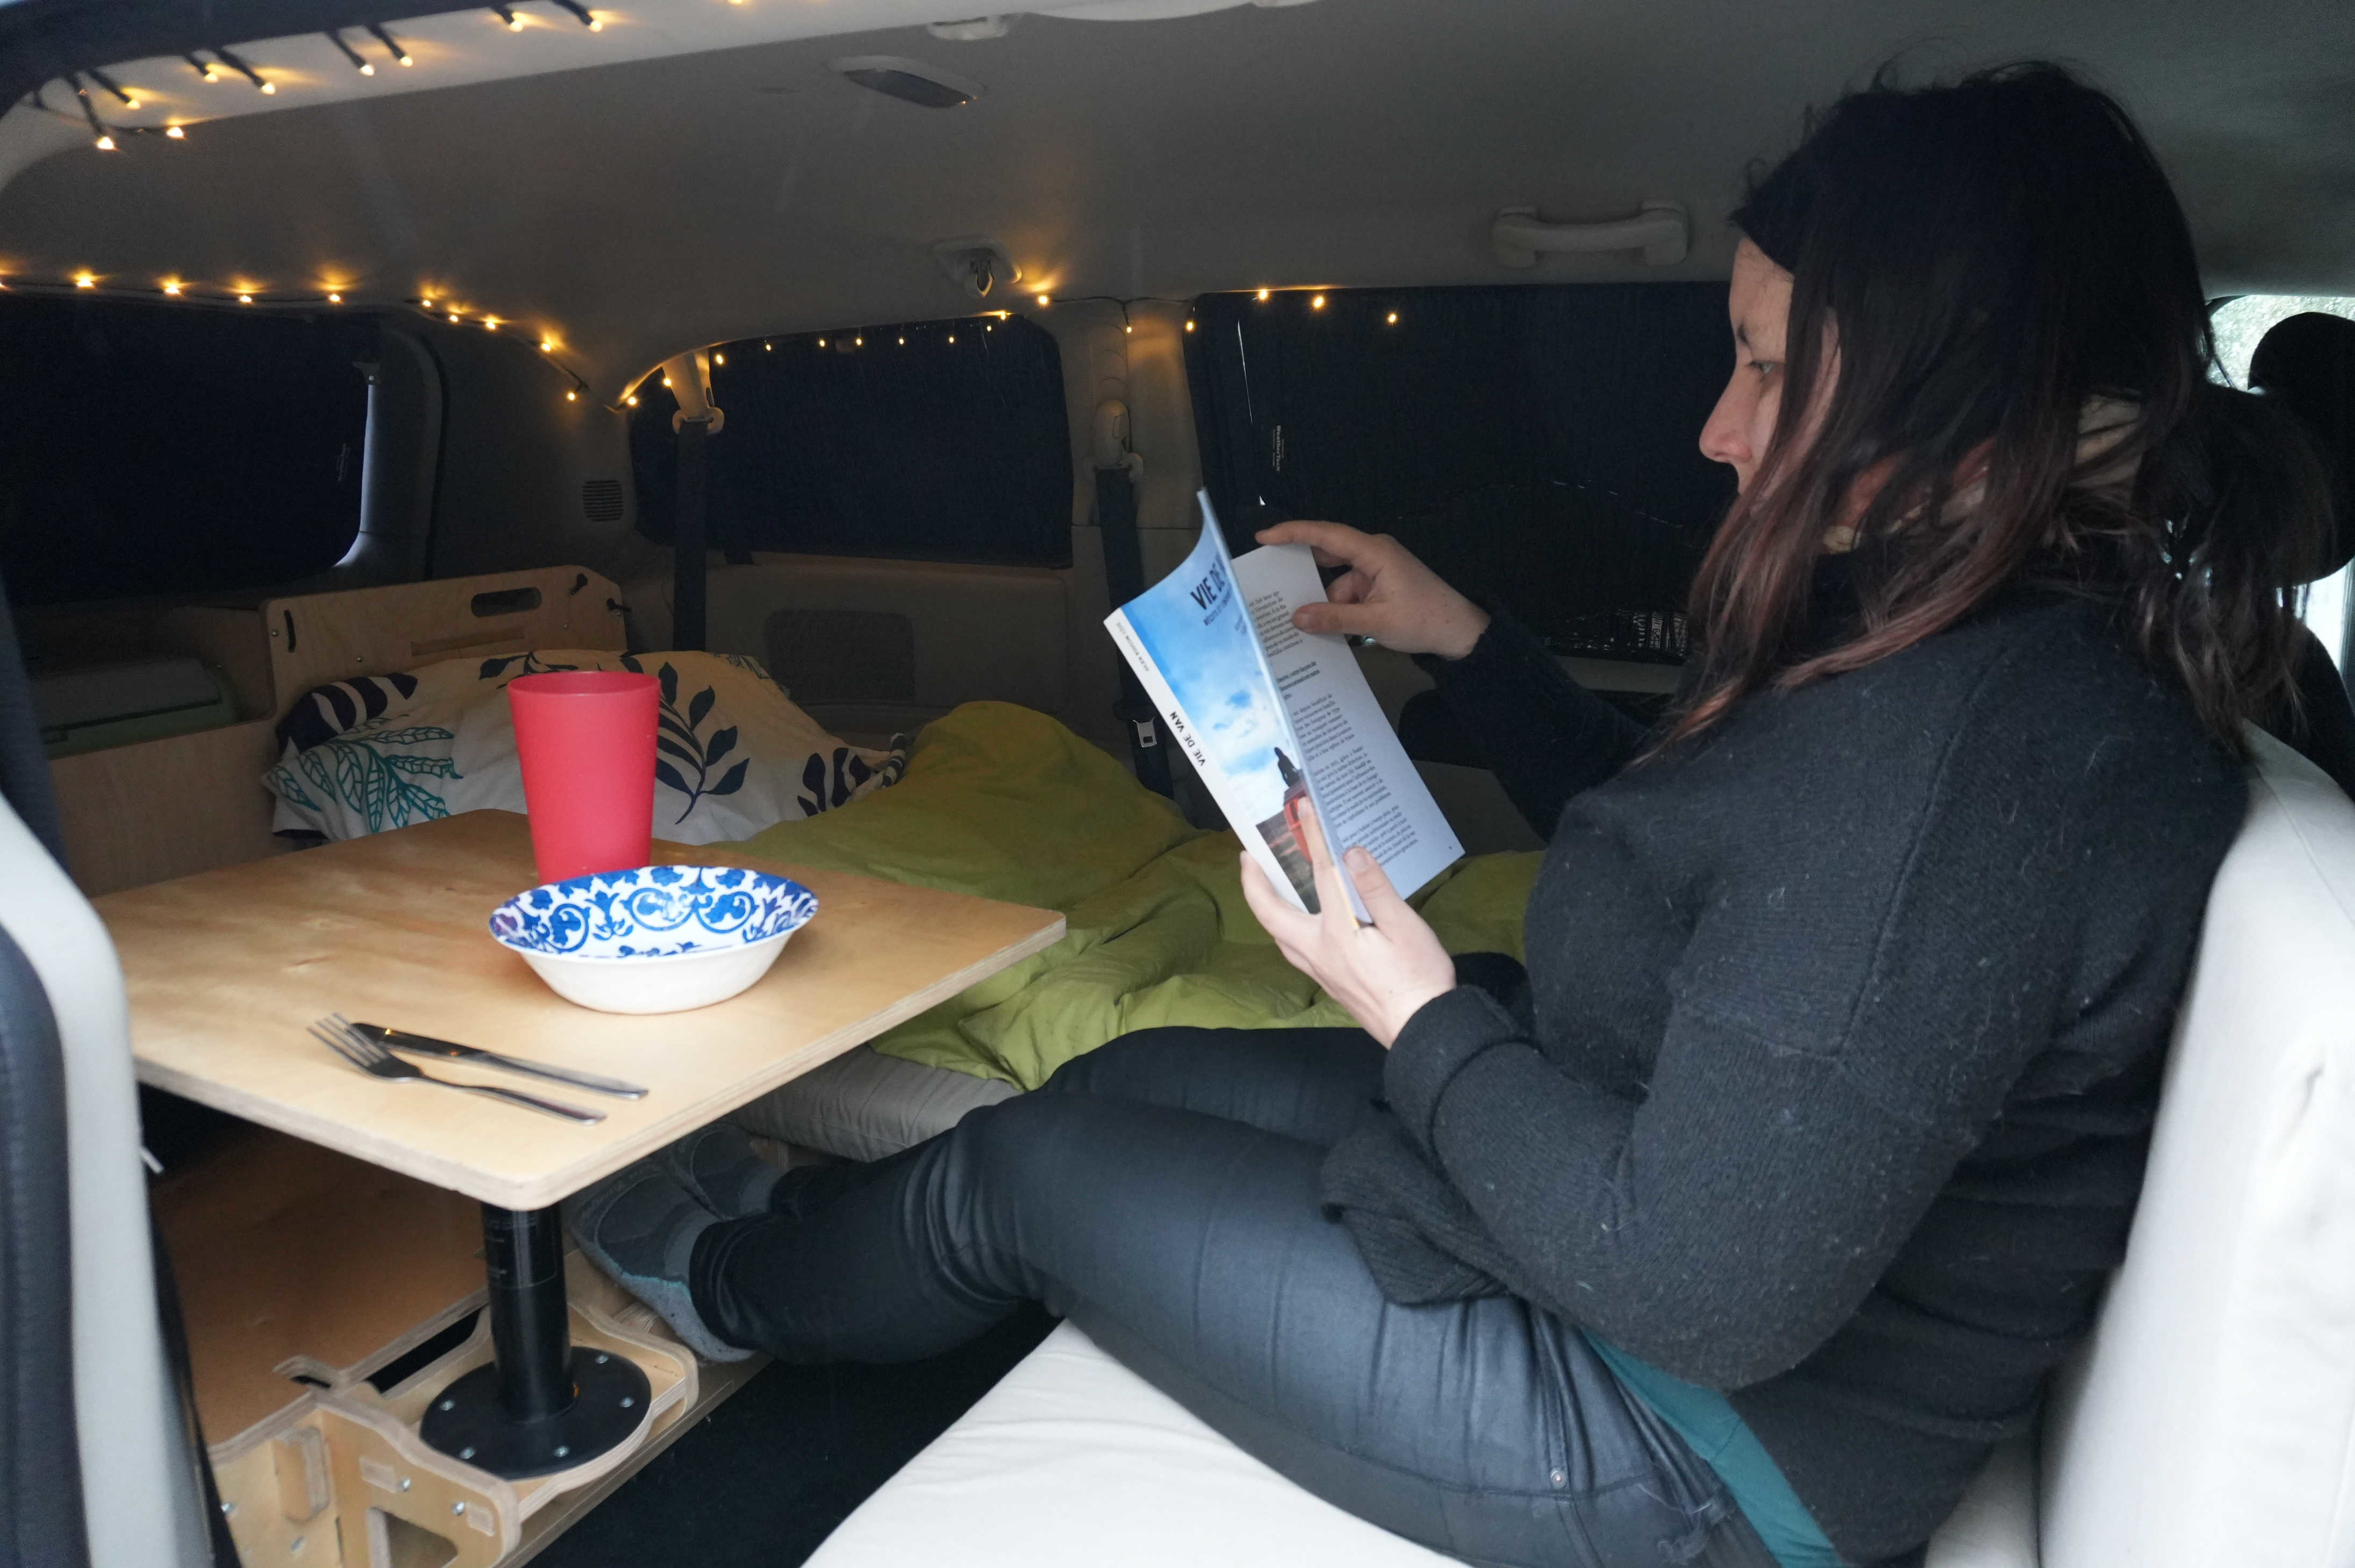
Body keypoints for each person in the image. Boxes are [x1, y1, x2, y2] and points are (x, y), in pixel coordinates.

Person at [568, 64, 2326, 1568]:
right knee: (1113, 1074)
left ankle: (726, 1283)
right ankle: (795, 1249)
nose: (1719, 430)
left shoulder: (1979, 758)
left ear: (1971, 405)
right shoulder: (1980, 647)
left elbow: (1705, 1294)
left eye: (1774, 372)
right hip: (1636, 1200)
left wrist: (1409, 1002)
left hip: (1692, 1444)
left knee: (1019, 1175)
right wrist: (1470, 647)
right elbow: (1725, 879)